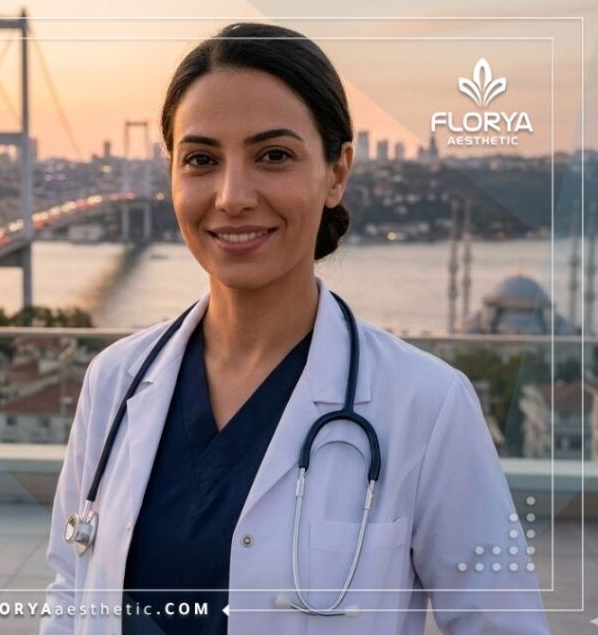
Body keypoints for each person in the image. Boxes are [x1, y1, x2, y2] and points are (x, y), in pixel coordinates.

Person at [41, 21, 549, 635]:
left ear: (337, 173)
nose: (232, 195)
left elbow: (502, 624)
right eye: (201, 159)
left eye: (273, 156)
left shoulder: (428, 405)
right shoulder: (114, 381)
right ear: (171, 175)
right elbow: (71, 590)